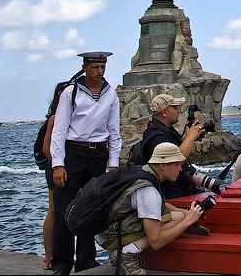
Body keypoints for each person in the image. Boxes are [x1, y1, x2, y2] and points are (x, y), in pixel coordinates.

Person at [50, 51, 122, 275]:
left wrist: (113, 164)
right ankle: (61, 264)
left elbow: (114, 131)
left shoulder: (110, 94)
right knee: (64, 209)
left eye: (102, 67)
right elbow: (59, 130)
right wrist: (58, 164)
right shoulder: (71, 93)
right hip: (74, 153)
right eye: (95, 68)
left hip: (98, 153)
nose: (99, 72)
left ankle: (86, 259)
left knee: (90, 208)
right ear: (85, 68)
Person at [96, 142, 206, 276]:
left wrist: (184, 212)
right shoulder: (148, 192)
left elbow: (161, 205)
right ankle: (126, 254)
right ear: (163, 165)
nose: (180, 169)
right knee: (179, 220)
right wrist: (187, 221)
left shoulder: (143, 172)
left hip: (102, 231)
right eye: (177, 165)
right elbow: (156, 241)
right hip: (110, 238)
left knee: (179, 215)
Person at [138, 94, 223, 204]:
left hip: (177, 191)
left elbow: (175, 150)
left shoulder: (164, 131)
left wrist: (187, 138)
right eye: (174, 107)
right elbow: (175, 160)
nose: (178, 110)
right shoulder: (155, 137)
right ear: (164, 112)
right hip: (171, 196)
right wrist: (190, 138)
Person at [41, 81, 70, 270]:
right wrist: (61, 165)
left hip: (66, 167)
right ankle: (49, 256)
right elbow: (46, 149)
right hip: (56, 168)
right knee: (54, 210)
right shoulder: (54, 118)